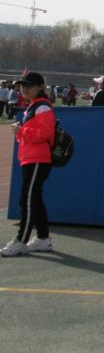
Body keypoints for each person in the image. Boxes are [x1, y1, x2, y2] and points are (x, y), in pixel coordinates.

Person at [1, 72, 56, 257]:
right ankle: (43, 238)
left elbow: (44, 133)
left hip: (38, 159)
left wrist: (22, 130)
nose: (24, 88)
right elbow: (31, 135)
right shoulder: (33, 106)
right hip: (31, 158)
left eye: (29, 85)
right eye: (22, 85)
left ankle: (21, 241)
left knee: (27, 200)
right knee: (34, 199)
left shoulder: (42, 107)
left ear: (40, 87)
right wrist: (20, 131)